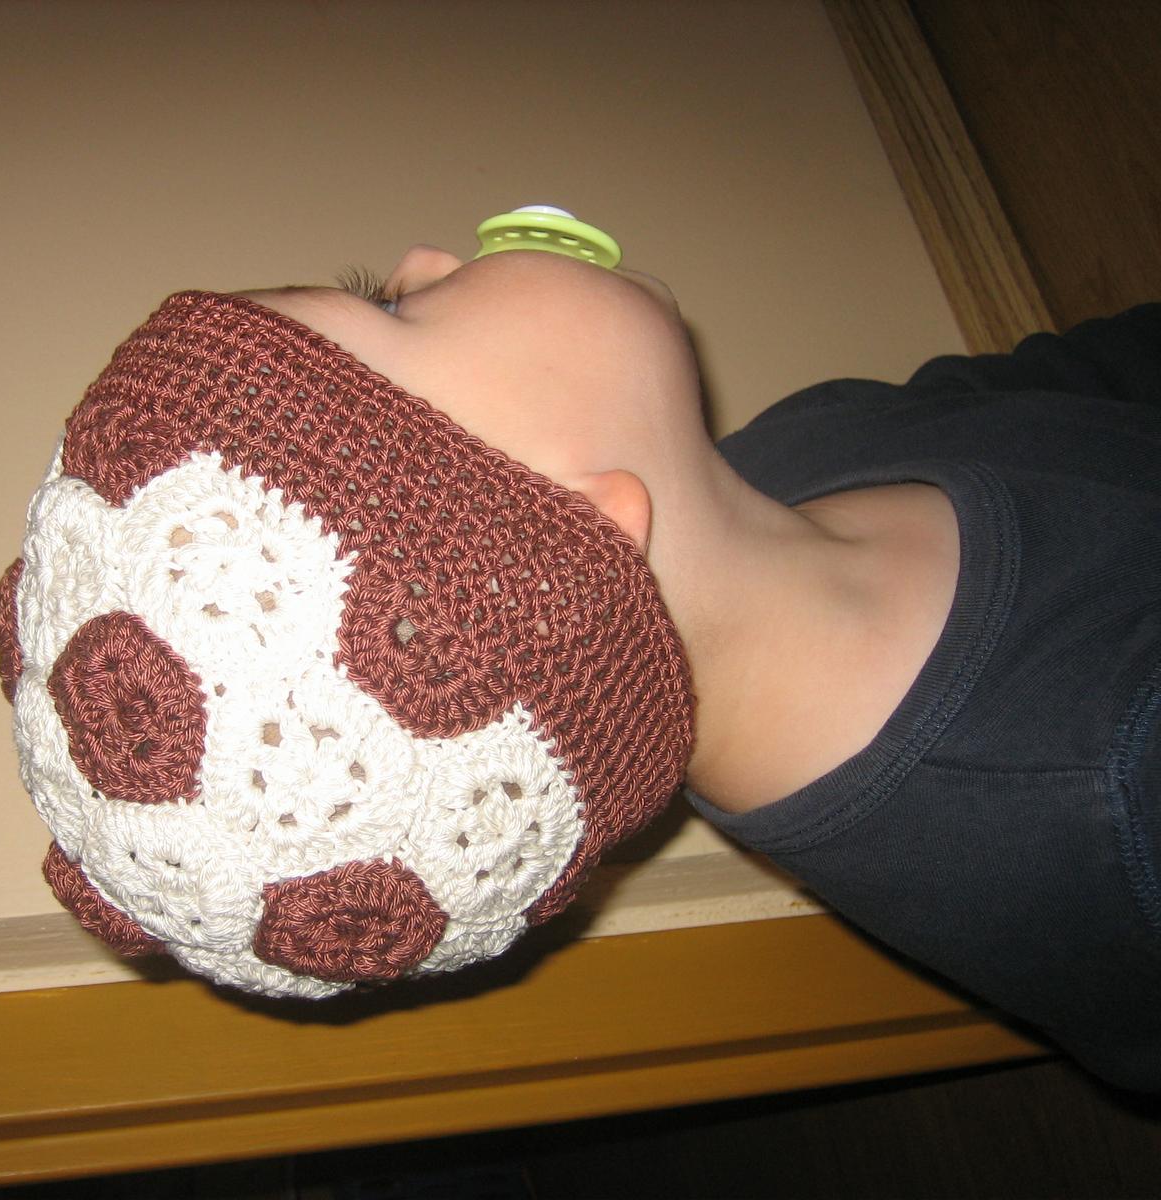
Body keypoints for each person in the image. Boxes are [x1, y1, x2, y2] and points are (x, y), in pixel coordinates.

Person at [243, 247, 1161, 1091]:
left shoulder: (780, 458)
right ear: (558, 537)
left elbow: (1083, 386)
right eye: (390, 307)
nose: (424, 261)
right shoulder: (1106, 794)